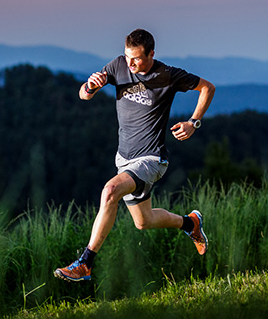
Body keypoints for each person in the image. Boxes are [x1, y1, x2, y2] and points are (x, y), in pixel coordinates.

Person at [54, 28, 215, 282]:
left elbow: (207, 88)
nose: (130, 64)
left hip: (151, 159)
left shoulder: (168, 75)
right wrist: (90, 86)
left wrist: (193, 123)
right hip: (124, 159)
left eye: (137, 59)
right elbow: (83, 95)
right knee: (144, 221)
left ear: (151, 54)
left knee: (110, 191)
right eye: (127, 57)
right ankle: (190, 223)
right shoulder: (119, 65)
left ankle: (85, 264)